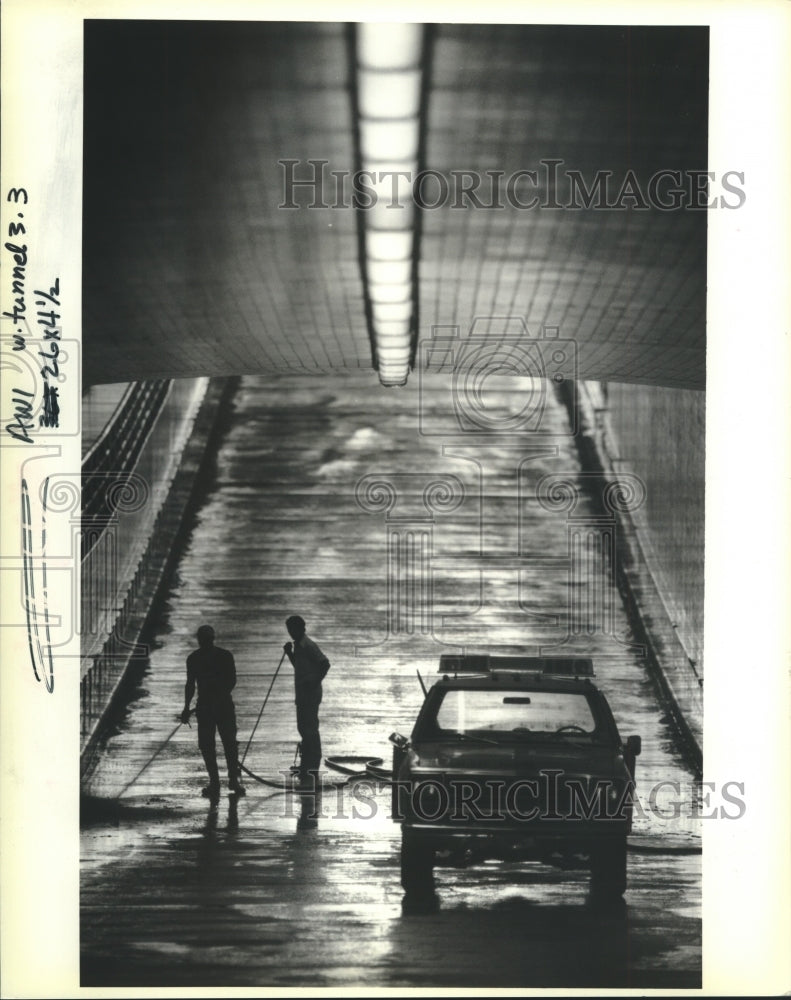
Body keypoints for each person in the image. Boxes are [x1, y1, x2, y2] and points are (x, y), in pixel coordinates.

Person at [181, 624, 245, 800]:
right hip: (218, 706)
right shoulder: (224, 656)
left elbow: (191, 685)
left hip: (210, 706)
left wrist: (187, 707)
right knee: (223, 744)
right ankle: (226, 781)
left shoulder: (195, 658)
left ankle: (221, 781)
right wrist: (187, 707)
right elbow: (231, 681)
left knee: (220, 745)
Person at [283, 615, 330, 788]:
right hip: (302, 694)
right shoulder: (298, 646)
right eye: (289, 630)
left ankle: (312, 768)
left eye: (292, 629)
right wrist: (289, 654)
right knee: (303, 728)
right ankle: (306, 765)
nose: (290, 633)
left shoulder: (308, 645)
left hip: (310, 694)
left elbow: (325, 664)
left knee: (310, 729)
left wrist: (314, 680)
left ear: (301, 629)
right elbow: (300, 667)